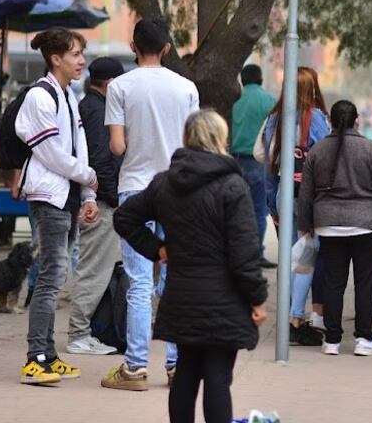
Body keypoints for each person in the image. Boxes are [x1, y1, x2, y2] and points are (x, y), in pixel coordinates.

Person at [114, 110, 268, 423]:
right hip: (224, 298)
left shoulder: (165, 183)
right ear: (220, 139)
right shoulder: (232, 185)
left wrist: (157, 249)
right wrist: (256, 298)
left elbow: (125, 217)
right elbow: (244, 251)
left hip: (181, 295)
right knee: (217, 378)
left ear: (187, 138)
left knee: (185, 372)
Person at [103, 18, 199, 392]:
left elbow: (117, 147)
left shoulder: (120, 87)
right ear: (167, 48)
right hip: (179, 190)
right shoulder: (186, 88)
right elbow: (194, 144)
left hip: (136, 190)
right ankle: (176, 367)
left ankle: (136, 367)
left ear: (133, 46)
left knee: (139, 282)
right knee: (174, 281)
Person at [14, 28, 100, 385]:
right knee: (51, 278)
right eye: (76, 54)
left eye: (81, 54)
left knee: (55, 277)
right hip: (49, 196)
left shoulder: (67, 94)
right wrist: (88, 176)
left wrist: (88, 192)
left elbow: (78, 146)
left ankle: (48, 355)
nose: (81, 61)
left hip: (66, 195)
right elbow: (50, 153)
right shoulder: (40, 96)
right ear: (56, 58)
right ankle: (35, 357)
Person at [298, 100, 372, 357]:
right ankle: (364, 338)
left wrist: (306, 224)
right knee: (365, 283)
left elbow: (306, 193)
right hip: (366, 225)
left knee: (333, 283)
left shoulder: (318, 151)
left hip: (328, 225)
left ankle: (332, 340)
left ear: (331, 121)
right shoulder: (371, 150)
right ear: (357, 120)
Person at [260, 66, 330, 345]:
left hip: (283, 192)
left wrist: (272, 204)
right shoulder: (317, 118)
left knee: (290, 258)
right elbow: (326, 157)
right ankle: (295, 318)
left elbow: (268, 164)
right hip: (308, 196)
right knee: (306, 258)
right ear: (311, 89)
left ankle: (289, 317)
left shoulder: (273, 119)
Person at [66, 56, 126, 356]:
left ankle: (90, 332)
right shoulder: (97, 111)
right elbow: (101, 160)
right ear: (111, 83)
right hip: (100, 203)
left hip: (97, 199)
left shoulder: (88, 106)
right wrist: (115, 198)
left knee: (98, 269)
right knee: (94, 271)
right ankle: (78, 333)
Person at [230, 64, 276, 268]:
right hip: (258, 162)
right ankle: (256, 254)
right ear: (261, 79)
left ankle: (238, 254)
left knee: (237, 210)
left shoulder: (236, 102)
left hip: (236, 161)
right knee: (258, 210)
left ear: (243, 80)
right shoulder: (268, 101)